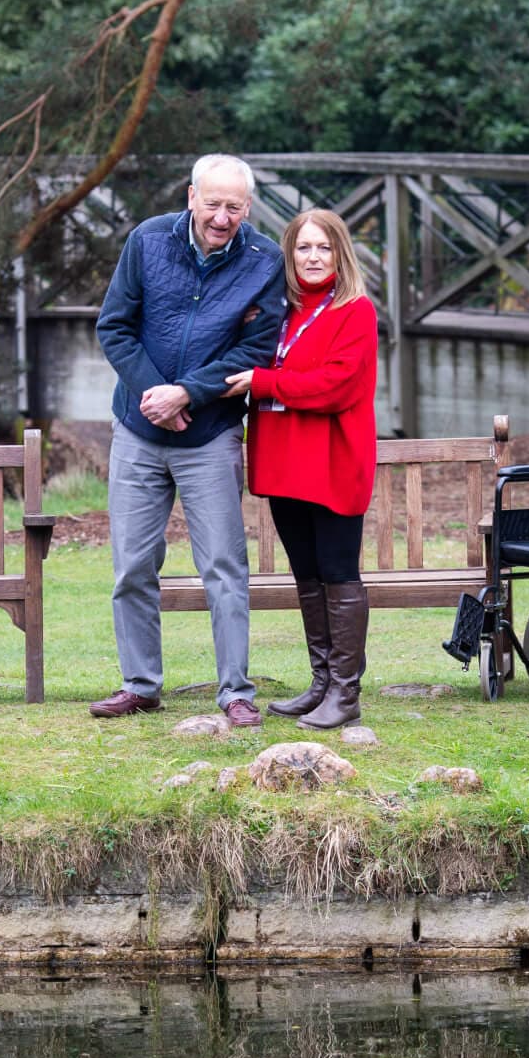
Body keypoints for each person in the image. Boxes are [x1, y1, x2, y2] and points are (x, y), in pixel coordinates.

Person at [92, 154, 287, 727]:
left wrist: (188, 395)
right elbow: (115, 326)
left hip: (210, 434)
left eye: (234, 206)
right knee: (132, 565)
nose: (221, 217)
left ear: (247, 207)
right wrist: (156, 393)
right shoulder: (148, 241)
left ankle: (235, 692)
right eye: (213, 203)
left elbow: (255, 351)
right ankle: (140, 684)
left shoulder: (264, 260)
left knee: (224, 567)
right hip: (137, 430)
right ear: (191, 197)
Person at [224, 209, 378, 729]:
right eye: (302, 248)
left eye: (324, 248)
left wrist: (266, 383)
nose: (313, 258)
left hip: (333, 465)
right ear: (288, 255)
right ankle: (321, 683)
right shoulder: (278, 311)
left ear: (341, 254)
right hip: (285, 464)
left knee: (338, 574)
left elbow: (337, 386)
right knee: (307, 577)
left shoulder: (354, 311)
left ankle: (346, 692)